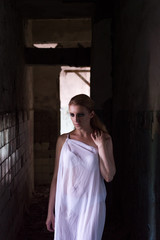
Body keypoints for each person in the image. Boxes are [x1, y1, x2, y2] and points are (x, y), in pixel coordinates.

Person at [46, 94, 116, 240]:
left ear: (91, 114)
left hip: (92, 205)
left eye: (80, 115)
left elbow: (109, 176)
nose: (75, 120)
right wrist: (50, 212)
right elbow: (56, 178)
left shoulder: (104, 139)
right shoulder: (63, 140)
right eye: (72, 114)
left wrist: (101, 146)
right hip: (67, 204)